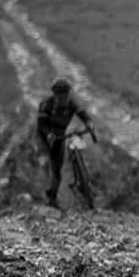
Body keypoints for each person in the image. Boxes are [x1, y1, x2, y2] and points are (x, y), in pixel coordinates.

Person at [36, 77, 97, 207]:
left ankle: (81, 181)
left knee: (60, 162)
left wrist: (89, 124)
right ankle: (49, 195)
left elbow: (84, 116)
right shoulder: (46, 105)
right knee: (53, 166)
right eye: (59, 95)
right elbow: (41, 126)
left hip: (60, 135)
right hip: (46, 135)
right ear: (55, 94)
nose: (62, 99)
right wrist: (48, 134)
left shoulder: (72, 104)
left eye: (65, 95)